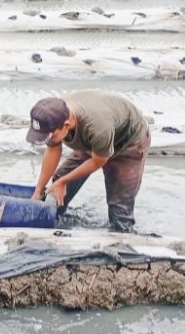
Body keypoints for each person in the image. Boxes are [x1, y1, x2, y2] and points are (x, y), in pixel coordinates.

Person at [25, 90, 150, 233]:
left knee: (120, 208)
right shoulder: (53, 115)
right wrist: (38, 190)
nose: (49, 140)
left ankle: (123, 243)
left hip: (129, 144)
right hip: (94, 142)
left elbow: (98, 161)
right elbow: (53, 149)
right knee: (58, 182)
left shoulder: (97, 127)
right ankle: (52, 225)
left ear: (66, 125)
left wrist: (62, 182)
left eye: (50, 136)